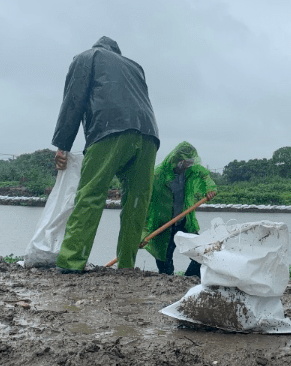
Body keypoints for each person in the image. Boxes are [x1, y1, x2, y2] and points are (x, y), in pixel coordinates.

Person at [51, 36, 160, 272]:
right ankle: (127, 266)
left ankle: (71, 262)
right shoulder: (135, 66)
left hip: (110, 129)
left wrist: (63, 145)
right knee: (137, 203)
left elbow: (73, 100)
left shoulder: (87, 57)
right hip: (149, 135)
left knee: (91, 193)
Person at [144, 141, 217, 277]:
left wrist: (210, 189)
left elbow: (205, 176)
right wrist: (143, 233)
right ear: (177, 160)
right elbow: (146, 205)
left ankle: (188, 279)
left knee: (202, 254)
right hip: (163, 225)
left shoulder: (191, 172)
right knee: (165, 265)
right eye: (185, 162)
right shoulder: (158, 175)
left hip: (184, 222)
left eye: (190, 162)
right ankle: (169, 282)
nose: (187, 165)